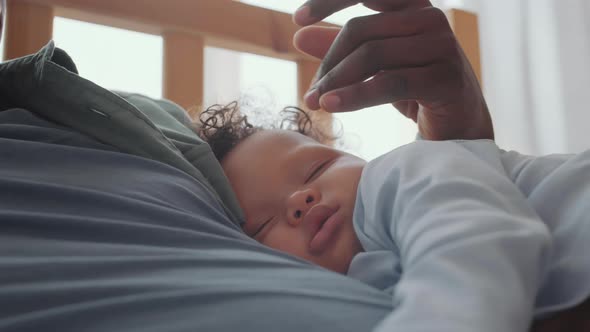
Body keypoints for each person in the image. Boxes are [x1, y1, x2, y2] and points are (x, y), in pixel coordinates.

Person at [0, 1, 583, 332]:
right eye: (260, 228)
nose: (301, 201)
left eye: (315, 171)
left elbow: (478, 239)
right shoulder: (366, 276)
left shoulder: (404, 177)